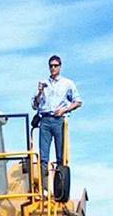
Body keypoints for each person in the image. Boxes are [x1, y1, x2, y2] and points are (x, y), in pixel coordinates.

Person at [31, 54, 82, 190]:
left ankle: (59, 189)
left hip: (59, 120)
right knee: (43, 157)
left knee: (61, 156)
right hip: (45, 120)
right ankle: (44, 189)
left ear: (60, 67)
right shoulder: (43, 83)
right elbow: (35, 105)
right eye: (51, 66)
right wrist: (40, 92)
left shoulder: (67, 83)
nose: (53, 68)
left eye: (55, 65)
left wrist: (64, 110)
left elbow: (78, 101)